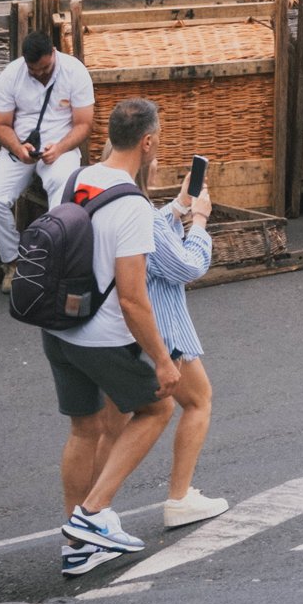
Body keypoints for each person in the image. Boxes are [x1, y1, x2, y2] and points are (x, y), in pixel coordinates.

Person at [49, 98, 182, 576]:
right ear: (147, 142)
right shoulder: (132, 205)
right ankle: (92, 513)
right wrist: (163, 360)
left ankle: (76, 543)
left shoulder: (74, 179)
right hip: (100, 336)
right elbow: (132, 298)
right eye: (159, 136)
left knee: (84, 429)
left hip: (59, 327)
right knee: (158, 406)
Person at [143, 175, 229, 527]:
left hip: (112, 329)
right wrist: (200, 221)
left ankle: (89, 514)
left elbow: (155, 233)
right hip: (159, 325)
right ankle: (178, 498)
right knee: (197, 401)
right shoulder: (136, 207)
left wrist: (178, 206)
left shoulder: (99, 192)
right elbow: (186, 266)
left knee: (102, 427)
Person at [0, 29, 98, 282]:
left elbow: (84, 124)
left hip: (60, 147)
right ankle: (13, 262)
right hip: (20, 148)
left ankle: (54, 261)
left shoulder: (75, 71)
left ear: (54, 53)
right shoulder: (10, 76)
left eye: (45, 68)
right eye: (34, 70)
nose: (40, 74)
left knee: (63, 189)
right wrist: (18, 148)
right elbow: (1, 124)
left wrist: (60, 147)